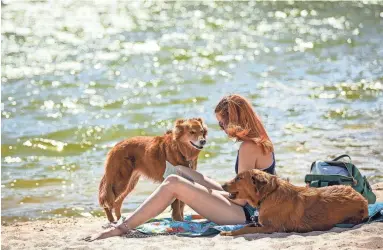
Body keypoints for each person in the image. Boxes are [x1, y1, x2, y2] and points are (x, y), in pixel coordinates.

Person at [84, 94, 275, 241]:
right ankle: (186, 179)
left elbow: (241, 200)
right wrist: (197, 181)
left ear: (234, 120)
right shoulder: (260, 141)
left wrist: (200, 193)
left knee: (174, 182)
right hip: (253, 209)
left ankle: (121, 228)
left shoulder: (248, 148)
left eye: (222, 123)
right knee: (186, 173)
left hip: (247, 215)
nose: (222, 128)